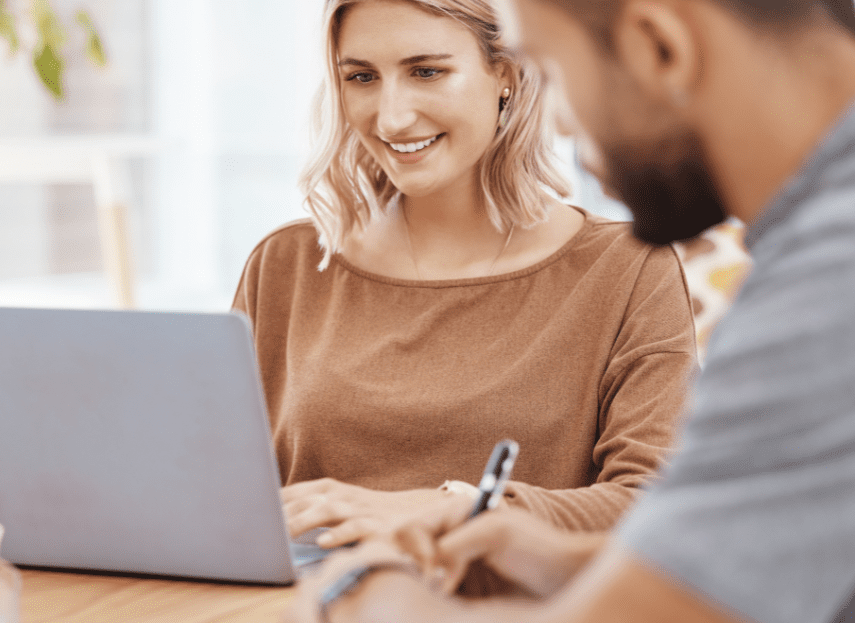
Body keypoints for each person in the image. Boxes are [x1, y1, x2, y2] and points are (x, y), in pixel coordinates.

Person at [285, 0, 855, 621]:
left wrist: (370, 600)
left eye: (550, 69)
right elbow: (752, 554)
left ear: (657, 47)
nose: (552, 120)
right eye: (361, 75)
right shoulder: (818, 250)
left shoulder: (829, 280)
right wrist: (563, 559)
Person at [232, 0, 697, 552]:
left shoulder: (628, 268)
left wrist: (455, 507)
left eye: (426, 72)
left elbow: (653, 501)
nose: (391, 117)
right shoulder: (286, 265)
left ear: (507, 71)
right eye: (361, 77)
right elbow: (216, 488)